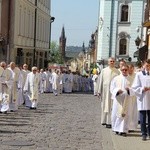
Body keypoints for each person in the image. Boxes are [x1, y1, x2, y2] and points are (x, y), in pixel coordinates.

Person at [110, 64, 133, 136]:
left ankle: (124, 130)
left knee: (126, 115)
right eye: (123, 70)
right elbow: (112, 88)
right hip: (118, 100)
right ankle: (116, 129)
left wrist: (129, 90)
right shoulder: (116, 78)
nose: (124, 71)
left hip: (127, 100)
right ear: (121, 70)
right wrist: (117, 91)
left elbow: (135, 89)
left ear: (128, 70)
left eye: (126, 70)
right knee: (117, 114)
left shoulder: (131, 79)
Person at [97, 57, 120, 128]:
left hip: (113, 92)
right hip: (105, 90)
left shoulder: (117, 71)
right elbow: (100, 81)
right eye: (111, 61)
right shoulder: (104, 70)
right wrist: (99, 91)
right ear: (108, 62)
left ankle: (109, 122)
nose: (112, 62)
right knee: (104, 105)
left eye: (113, 61)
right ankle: (103, 120)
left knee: (111, 106)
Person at [132, 59, 150, 141]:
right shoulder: (139, 75)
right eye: (147, 65)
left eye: (149, 65)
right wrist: (142, 89)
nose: (148, 67)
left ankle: (149, 132)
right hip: (143, 98)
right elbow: (134, 87)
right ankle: (143, 133)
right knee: (142, 118)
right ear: (143, 65)